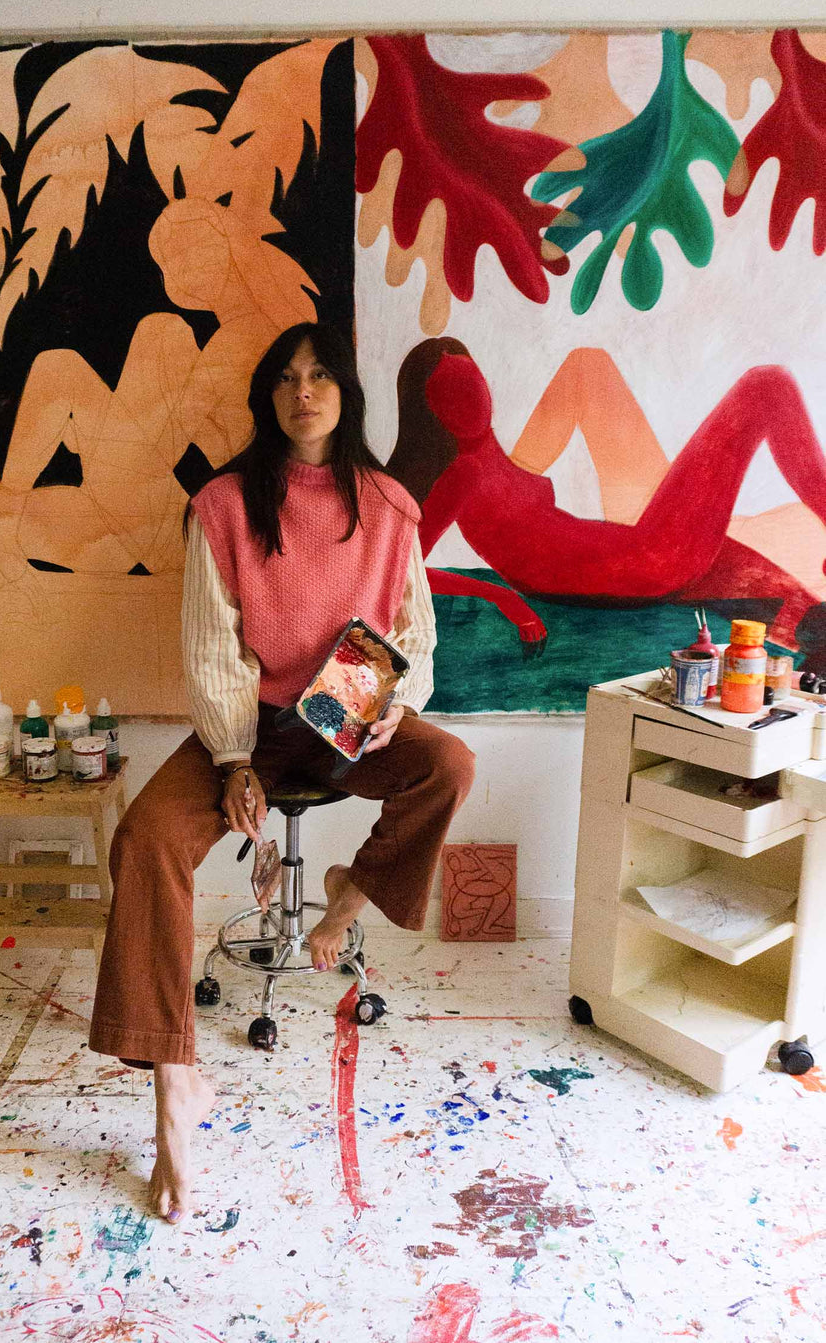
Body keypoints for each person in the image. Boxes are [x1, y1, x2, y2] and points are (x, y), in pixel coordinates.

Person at [88, 322, 476, 1224]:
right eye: (287, 378)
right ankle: (174, 1081)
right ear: (269, 397)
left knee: (449, 763)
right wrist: (231, 758)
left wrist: (389, 703)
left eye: (321, 375)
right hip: (251, 722)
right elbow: (212, 645)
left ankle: (346, 897)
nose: (304, 391)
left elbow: (414, 634)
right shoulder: (223, 504)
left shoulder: (390, 506)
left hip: (348, 709)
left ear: (346, 392)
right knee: (146, 838)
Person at [388, 339, 826, 664]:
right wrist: (501, 597)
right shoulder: (462, 472)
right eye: (453, 392)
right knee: (767, 385)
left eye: (475, 384)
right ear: (430, 409)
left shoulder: (488, 453)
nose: (475, 401)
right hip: (645, 561)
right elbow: (407, 572)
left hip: (636, 555)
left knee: (797, 605)